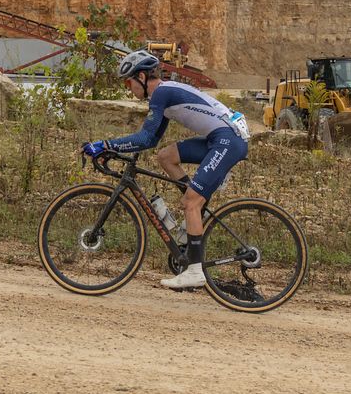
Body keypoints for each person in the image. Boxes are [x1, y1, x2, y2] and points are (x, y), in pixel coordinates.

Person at [82, 49, 249, 290]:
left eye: (129, 82)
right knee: (166, 156)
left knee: (191, 202)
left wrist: (104, 145)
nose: (129, 88)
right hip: (221, 138)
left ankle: (194, 270)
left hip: (227, 141)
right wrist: (112, 147)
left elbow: (145, 137)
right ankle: (192, 216)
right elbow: (152, 141)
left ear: (141, 76)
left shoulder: (162, 92)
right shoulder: (164, 94)